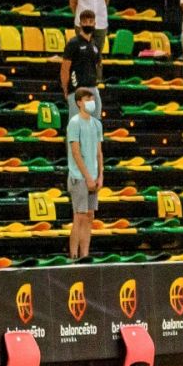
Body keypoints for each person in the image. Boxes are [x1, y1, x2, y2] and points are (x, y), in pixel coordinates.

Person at [66, 87, 103, 261]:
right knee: (79, 216)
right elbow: (75, 152)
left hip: (93, 176)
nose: (91, 102)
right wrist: (88, 177)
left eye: (92, 98)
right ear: (79, 102)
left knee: (89, 216)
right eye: (87, 99)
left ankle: (85, 255)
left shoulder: (97, 124)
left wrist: (100, 175)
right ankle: (74, 256)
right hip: (78, 177)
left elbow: (99, 153)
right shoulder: (74, 123)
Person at [60, 9, 102, 116]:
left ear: (94, 23)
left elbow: (97, 65)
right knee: (76, 124)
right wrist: (66, 89)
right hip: (76, 89)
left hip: (93, 88)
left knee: (96, 122)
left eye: (90, 21)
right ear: (80, 24)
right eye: (85, 21)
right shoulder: (73, 43)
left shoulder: (95, 44)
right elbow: (65, 68)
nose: (88, 24)